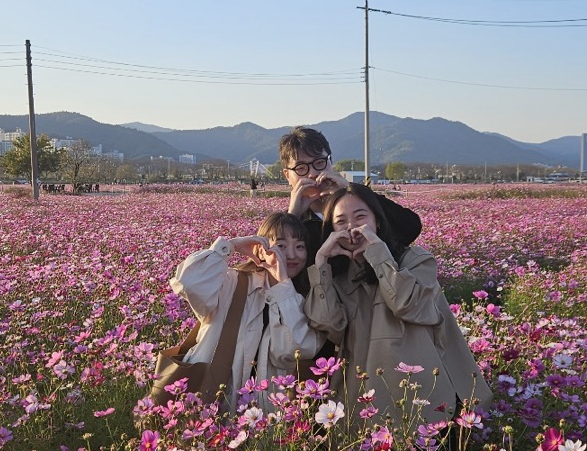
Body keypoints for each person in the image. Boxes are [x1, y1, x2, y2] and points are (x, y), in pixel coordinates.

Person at [304, 184, 491, 428]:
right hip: (365, 402)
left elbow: (406, 304)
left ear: (377, 222)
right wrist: (320, 265)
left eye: (361, 217)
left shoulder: (415, 260)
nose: (351, 227)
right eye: (340, 222)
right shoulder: (339, 278)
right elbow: (329, 325)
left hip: (424, 397)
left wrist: (378, 253)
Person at [169, 212, 323, 413]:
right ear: (262, 249)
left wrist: (284, 286)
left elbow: (297, 349)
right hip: (212, 404)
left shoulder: (305, 299)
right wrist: (229, 246)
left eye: (300, 246)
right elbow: (188, 283)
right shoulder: (232, 283)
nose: (292, 255)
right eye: (281, 245)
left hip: (266, 413)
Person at [278, 126, 422, 262]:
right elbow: (275, 266)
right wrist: (292, 219)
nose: (313, 173)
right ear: (287, 175)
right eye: (301, 168)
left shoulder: (360, 200)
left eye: (319, 162)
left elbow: (410, 228)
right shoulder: (292, 218)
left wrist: (352, 190)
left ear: (330, 162)